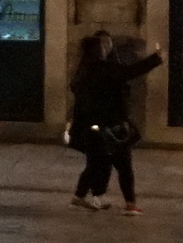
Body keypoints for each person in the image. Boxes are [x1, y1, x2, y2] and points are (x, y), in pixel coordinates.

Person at [65, 31, 162, 212]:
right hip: (109, 127)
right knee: (120, 164)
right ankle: (127, 203)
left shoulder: (83, 70)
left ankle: (83, 197)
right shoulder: (102, 69)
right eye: (102, 46)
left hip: (92, 127)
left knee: (96, 164)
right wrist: (155, 58)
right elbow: (130, 72)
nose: (105, 48)